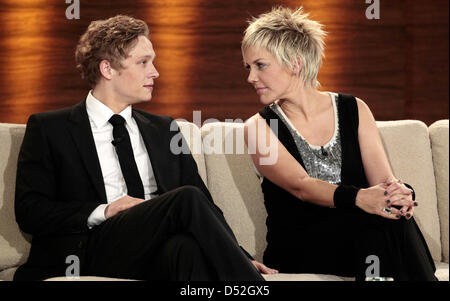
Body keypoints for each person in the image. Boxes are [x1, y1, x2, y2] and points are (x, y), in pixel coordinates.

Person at [14, 15, 275, 281]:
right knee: (186, 197)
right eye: (143, 62)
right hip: (88, 248)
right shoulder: (50, 128)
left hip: (151, 248)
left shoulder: (164, 129)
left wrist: (240, 255)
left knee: (186, 249)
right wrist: (105, 210)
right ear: (107, 70)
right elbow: (30, 210)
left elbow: (205, 206)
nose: (155, 72)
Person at [242, 6, 437, 281]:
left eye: (260, 65)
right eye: (248, 67)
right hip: (301, 244)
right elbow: (302, 186)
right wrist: (361, 199)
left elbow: (383, 179)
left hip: (359, 235)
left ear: (295, 64)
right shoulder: (259, 127)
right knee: (376, 221)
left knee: (390, 215)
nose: (251, 77)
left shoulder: (354, 109)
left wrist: (397, 194)